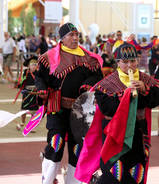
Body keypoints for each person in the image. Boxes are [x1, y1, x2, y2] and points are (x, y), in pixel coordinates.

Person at [75, 42, 159, 184]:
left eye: (133, 61)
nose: (130, 65)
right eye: (125, 62)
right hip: (113, 134)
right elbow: (108, 108)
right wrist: (126, 95)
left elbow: (158, 97)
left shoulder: (145, 79)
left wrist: (144, 89)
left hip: (138, 133)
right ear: (118, 63)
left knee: (135, 174)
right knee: (112, 175)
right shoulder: (106, 84)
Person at [35, 23, 103, 184]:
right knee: (56, 143)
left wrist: (88, 83)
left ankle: (73, 181)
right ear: (62, 38)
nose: (74, 38)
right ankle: (48, 179)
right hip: (57, 108)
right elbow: (39, 77)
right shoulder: (49, 57)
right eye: (70, 35)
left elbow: (97, 77)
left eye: (76, 35)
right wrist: (42, 89)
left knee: (77, 149)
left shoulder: (89, 59)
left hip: (79, 113)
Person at [16, 56, 40, 131]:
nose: (34, 66)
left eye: (35, 64)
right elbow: (22, 81)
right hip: (26, 92)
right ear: (29, 66)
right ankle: (22, 122)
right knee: (24, 109)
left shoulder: (38, 73)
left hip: (35, 93)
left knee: (34, 110)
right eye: (32, 64)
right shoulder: (26, 72)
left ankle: (32, 125)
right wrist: (20, 86)